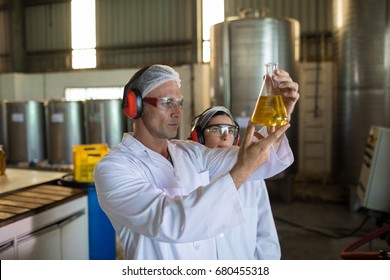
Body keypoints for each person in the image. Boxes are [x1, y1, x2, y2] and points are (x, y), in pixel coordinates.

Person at [93, 64, 299, 260]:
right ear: (134, 106)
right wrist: (242, 170)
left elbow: (251, 158)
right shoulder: (113, 168)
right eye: (166, 102)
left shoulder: (191, 152)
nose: (177, 112)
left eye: (179, 103)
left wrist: (279, 115)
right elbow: (170, 221)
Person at [188, 106, 282, 259]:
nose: (225, 136)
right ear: (198, 137)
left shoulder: (253, 179)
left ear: (236, 138)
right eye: (216, 129)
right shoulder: (189, 177)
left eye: (230, 131)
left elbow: (266, 236)